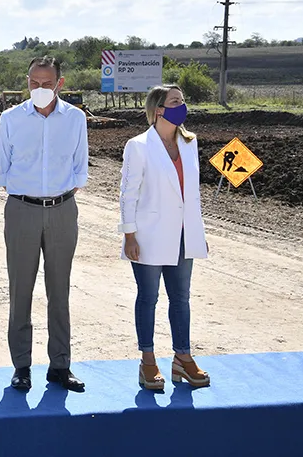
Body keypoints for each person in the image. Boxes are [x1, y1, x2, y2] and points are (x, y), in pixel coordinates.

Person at [0, 56, 88, 393]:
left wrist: (58, 192)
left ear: (60, 84)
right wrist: (29, 193)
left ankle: (60, 365)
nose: (40, 89)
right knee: (20, 292)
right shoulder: (11, 119)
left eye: (47, 84)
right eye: (34, 83)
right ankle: (22, 366)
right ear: (27, 81)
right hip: (22, 210)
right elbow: (1, 170)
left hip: (63, 210)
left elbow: (80, 167)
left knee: (59, 292)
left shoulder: (75, 119)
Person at [119, 84, 210, 390]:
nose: (181, 106)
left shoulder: (189, 143)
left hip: (184, 234)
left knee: (181, 299)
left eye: (183, 101)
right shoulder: (139, 146)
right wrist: (129, 234)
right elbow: (127, 194)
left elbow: (191, 195)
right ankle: (148, 362)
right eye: (175, 102)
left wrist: (198, 232)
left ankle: (182, 358)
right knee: (149, 298)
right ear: (159, 109)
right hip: (148, 235)